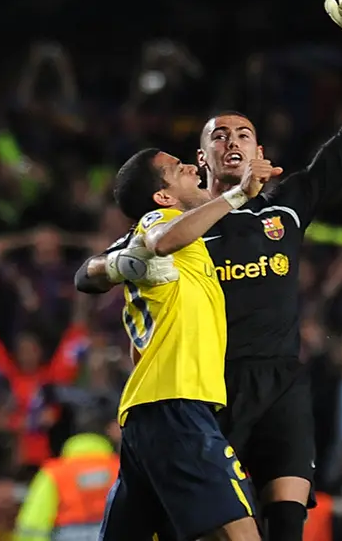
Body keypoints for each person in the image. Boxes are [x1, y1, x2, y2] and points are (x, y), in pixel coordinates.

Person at [76, 0, 342, 540]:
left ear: (259, 149)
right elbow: (95, 270)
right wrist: (120, 264)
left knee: (286, 523)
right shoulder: (178, 225)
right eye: (218, 135)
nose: (232, 140)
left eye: (243, 133)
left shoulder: (287, 204)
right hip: (207, 389)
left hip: (279, 379)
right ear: (202, 162)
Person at [94, 148, 279, 541]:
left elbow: (136, 341)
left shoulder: (171, 250)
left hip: (149, 411)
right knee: (241, 534)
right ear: (163, 197)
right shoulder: (161, 221)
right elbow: (161, 240)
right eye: (179, 169)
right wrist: (237, 195)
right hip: (176, 407)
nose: (193, 168)